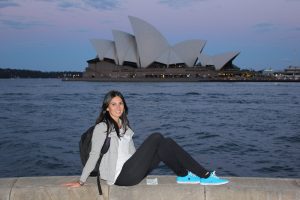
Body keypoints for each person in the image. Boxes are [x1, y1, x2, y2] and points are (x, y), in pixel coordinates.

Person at [64, 90, 228, 188]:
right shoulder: (102, 127)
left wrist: (142, 160)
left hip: (132, 169)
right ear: (107, 108)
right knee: (156, 137)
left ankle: (184, 174)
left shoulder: (125, 126)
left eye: (120, 103)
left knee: (166, 143)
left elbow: (133, 153)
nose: (118, 107)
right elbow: (93, 156)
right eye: (113, 104)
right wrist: (81, 181)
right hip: (121, 176)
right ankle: (205, 176)